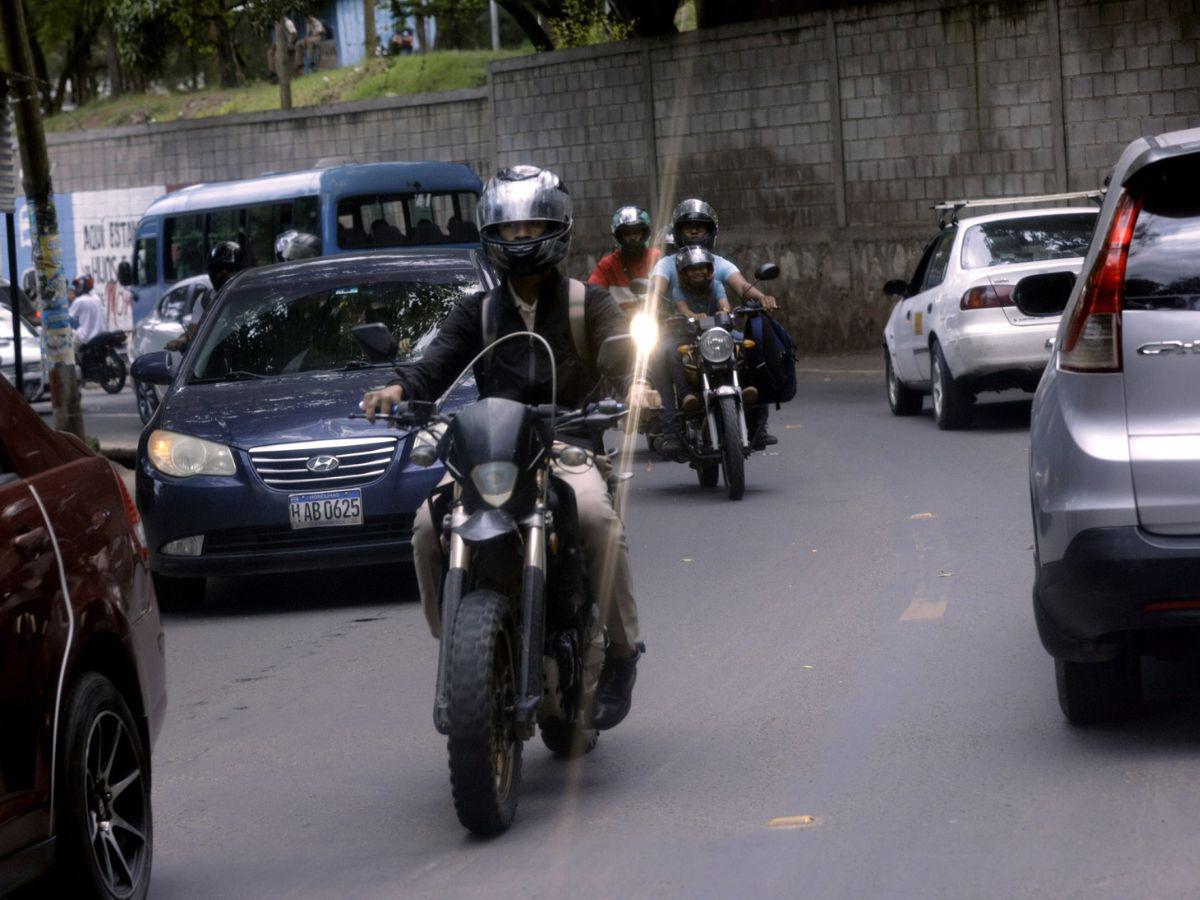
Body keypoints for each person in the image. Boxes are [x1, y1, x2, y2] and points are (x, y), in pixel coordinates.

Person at [361, 165, 646, 731]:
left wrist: (636, 380)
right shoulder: (478, 312)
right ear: (492, 233)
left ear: (557, 228)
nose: (520, 239)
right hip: (495, 450)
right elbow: (436, 363)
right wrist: (398, 389)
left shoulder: (585, 303)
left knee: (596, 519)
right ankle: (460, 649)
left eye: (531, 227)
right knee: (425, 526)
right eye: (509, 229)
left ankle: (621, 652)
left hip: (568, 444)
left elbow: (620, 347)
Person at [649, 199, 780, 450]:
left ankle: (758, 424)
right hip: (680, 332)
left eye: (701, 227)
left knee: (754, 347)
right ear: (678, 233)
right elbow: (656, 291)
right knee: (658, 355)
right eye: (689, 227)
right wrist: (650, 306)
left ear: (711, 232)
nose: (695, 231)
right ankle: (670, 430)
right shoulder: (666, 264)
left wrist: (762, 297)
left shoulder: (718, 264)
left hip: (721, 333)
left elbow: (741, 286)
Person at [163, 242, 247, 354]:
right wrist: (183, 339)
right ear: (211, 272)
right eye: (218, 269)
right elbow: (194, 333)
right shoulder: (204, 300)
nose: (224, 273)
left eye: (230, 268)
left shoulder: (254, 296)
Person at [588, 205, 661, 290]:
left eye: (636, 232)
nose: (632, 238)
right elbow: (592, 292)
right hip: (614, 304)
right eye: (627, 234)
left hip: (654, 303)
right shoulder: (608, 265)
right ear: (619, 237)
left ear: (644, 234)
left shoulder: (657, 257)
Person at [68, 274, 106, 350]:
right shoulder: (96, 298)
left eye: (77, 285)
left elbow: (68, 318)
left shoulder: (80, 301)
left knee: (68, 344)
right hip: (101, 334)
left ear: (82, 285)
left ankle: (72, 361)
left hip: (86, 337)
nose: (76, 288)